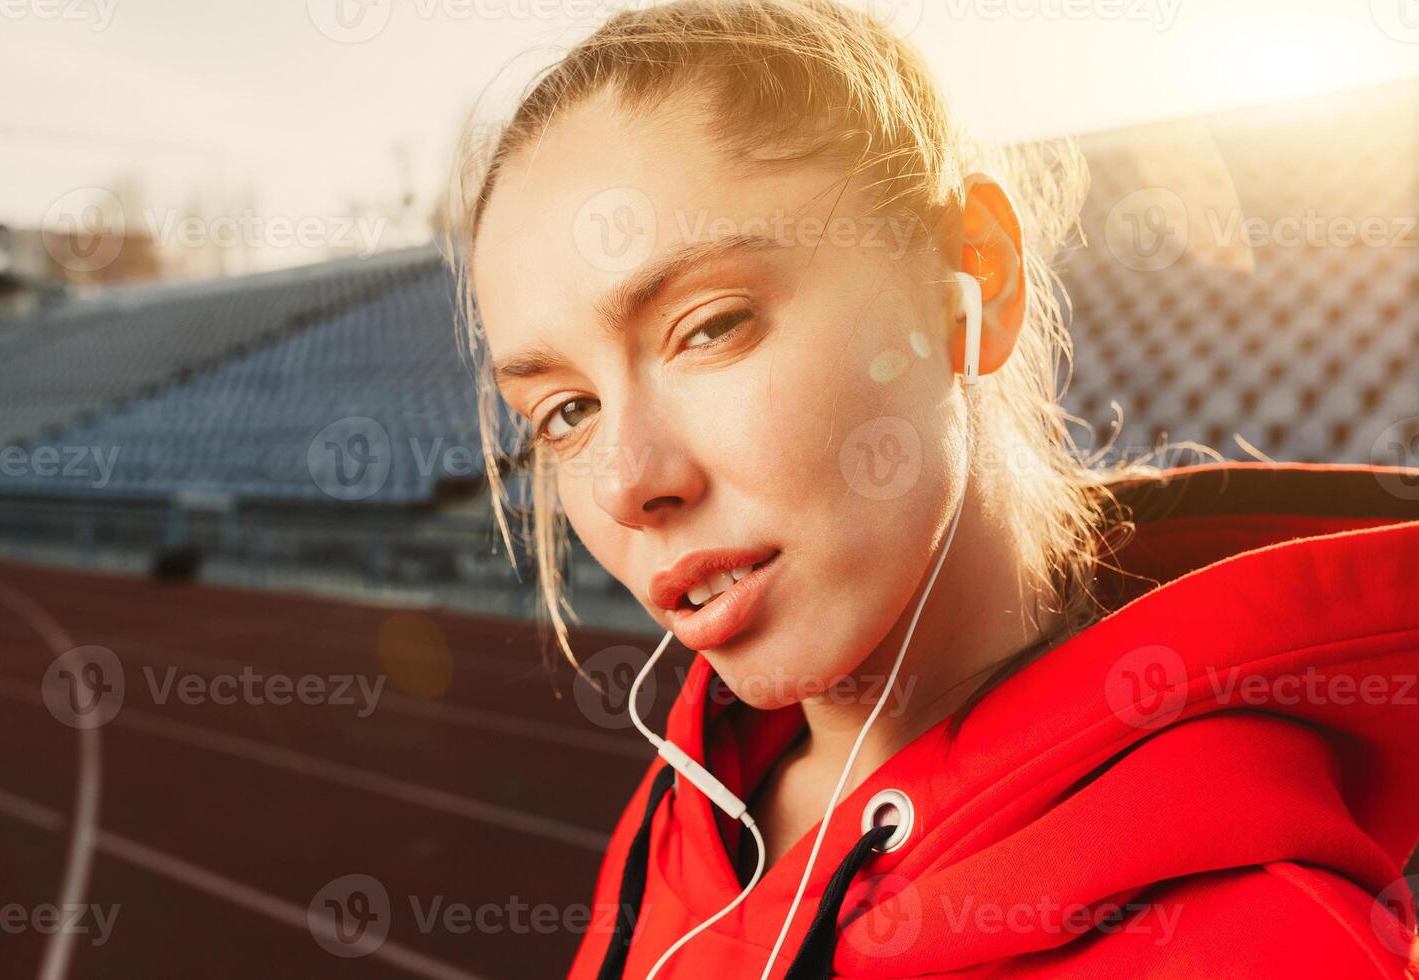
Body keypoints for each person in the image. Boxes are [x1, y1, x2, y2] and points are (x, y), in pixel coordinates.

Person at [444, 0, 1419, 974]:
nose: (627, 484)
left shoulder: (1268, 946)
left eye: (711, 326)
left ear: (976, 277)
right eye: (566, 410)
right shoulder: (684, 808)